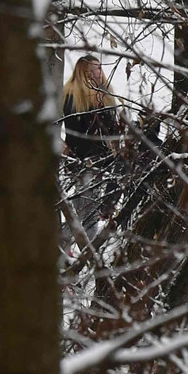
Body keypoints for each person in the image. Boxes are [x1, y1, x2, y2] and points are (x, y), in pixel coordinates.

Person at [59, 55, 123, 245]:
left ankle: (67, 244)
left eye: (99, 67)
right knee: (87, 208)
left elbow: (112, 127)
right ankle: (87, 250)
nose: (99, 72)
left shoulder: (105, 95)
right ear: (85, 73)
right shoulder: (72, 96)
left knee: (89, 208)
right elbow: (74, 132)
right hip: (81, 159)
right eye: (95, 68)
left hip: (105, 159)